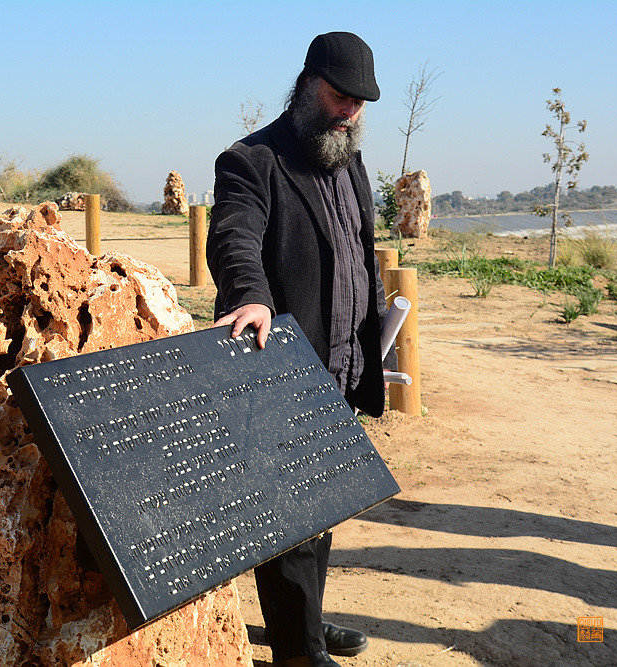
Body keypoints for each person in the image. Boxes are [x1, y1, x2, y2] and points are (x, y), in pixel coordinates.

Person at [207, 32, 395, 667]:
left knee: (321, 506)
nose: (350, 112)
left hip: (342, 364)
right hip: (280, 367)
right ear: (309, 83)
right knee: (284, 516)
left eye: (360, 103)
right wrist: (250, 296)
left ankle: (307, 620)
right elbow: (233, 238)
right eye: (341, 97)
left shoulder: (350, 160)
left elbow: (355, 253)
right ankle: (297, 649)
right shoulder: (250, 160)